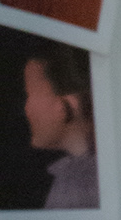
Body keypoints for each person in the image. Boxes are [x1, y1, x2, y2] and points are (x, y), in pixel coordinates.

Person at [23, 48, 97, 210]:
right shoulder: (77, 175)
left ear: (67, 104)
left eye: (31, 94)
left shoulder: (81, 187)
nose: (27, 108)